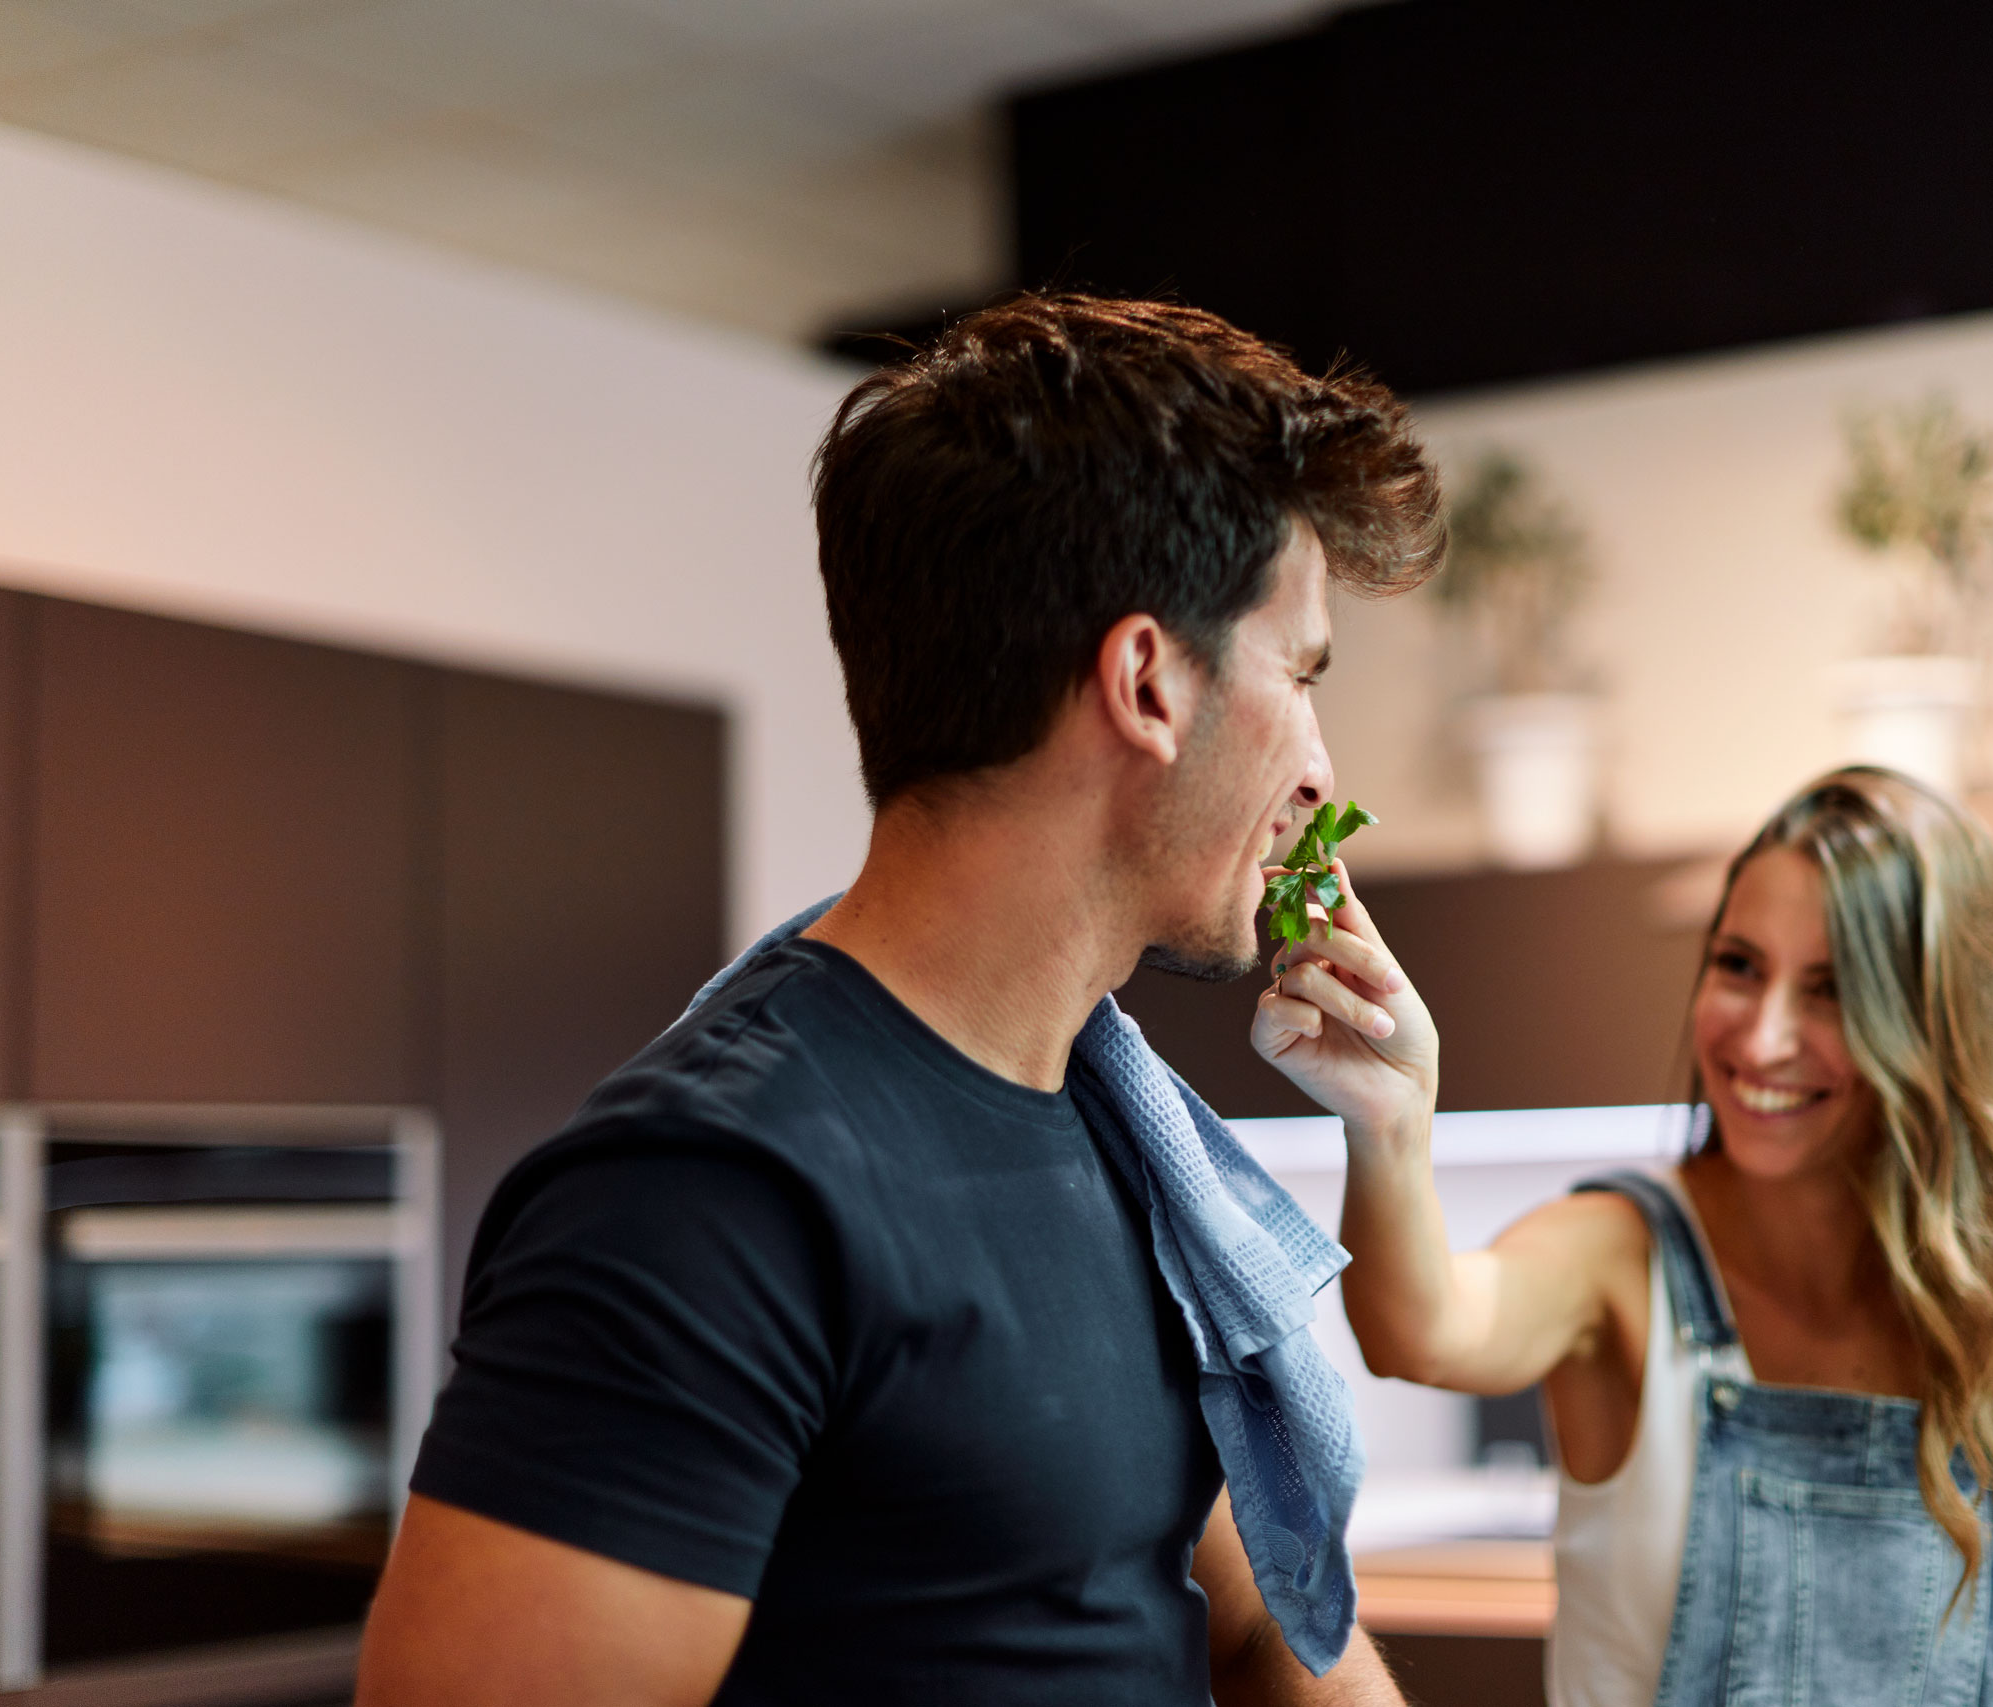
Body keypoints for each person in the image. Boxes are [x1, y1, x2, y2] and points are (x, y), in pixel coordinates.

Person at [356, 294, 1444, 1706]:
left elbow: (1261, 1631)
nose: (1316, 764)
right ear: (1147, 681)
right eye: (1297, 671)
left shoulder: (1127, 1137)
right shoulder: (708, 1193)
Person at [1252, 766, 1993, 1706]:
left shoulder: (1976, 1298)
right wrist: (1392, 1119)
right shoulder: (1623, 1251)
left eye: (1831, 988)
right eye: (1738, 965)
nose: (1763, 1037)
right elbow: (1424, 1329)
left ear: (1931, 1023)